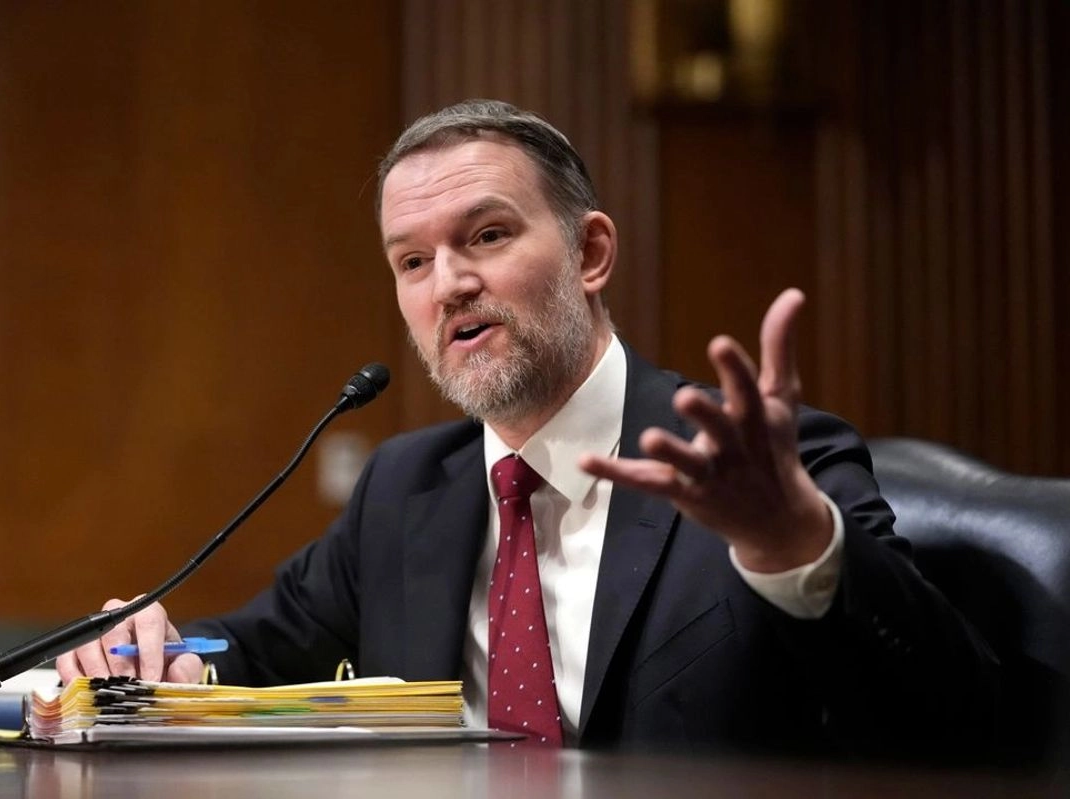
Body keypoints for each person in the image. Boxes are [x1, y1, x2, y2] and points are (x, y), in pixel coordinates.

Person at [57, 99, 998, 756]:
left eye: (487, 235)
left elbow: (958, 716)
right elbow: (253, 652)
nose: (449, 283)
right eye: (412, 260)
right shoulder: (404, 489)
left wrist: (795, 545)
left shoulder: (754, 470)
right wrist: (157, 652)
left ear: (591, 252)